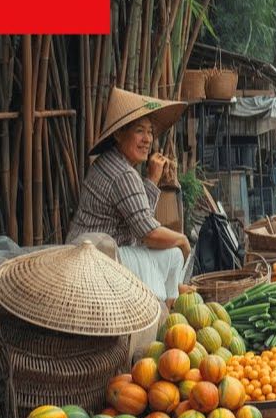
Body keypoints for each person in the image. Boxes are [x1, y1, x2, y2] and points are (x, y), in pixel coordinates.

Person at [67, 87, 189, 303]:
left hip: (88, 252)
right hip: (98, 259)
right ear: (118, 133)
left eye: (150, 131)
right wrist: (182, 239)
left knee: (169, 255)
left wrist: (152, 180)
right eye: (139, 131)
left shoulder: (107, 161)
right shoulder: (123, 174)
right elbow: (148, 233)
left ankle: (171, 301)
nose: (147, 139)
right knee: (175, 253)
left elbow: (139, 217)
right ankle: (167, 311)